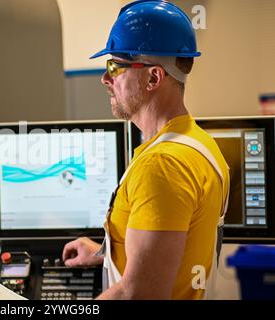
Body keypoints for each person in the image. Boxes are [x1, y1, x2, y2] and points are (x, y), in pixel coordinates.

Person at [62, 0, 230, 300]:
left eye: (115, 66)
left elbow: (138, 294)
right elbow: (176, 247)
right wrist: (108, 251)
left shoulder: (163, 166)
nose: (105, 78)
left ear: (154, 77)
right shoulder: (198, 143)